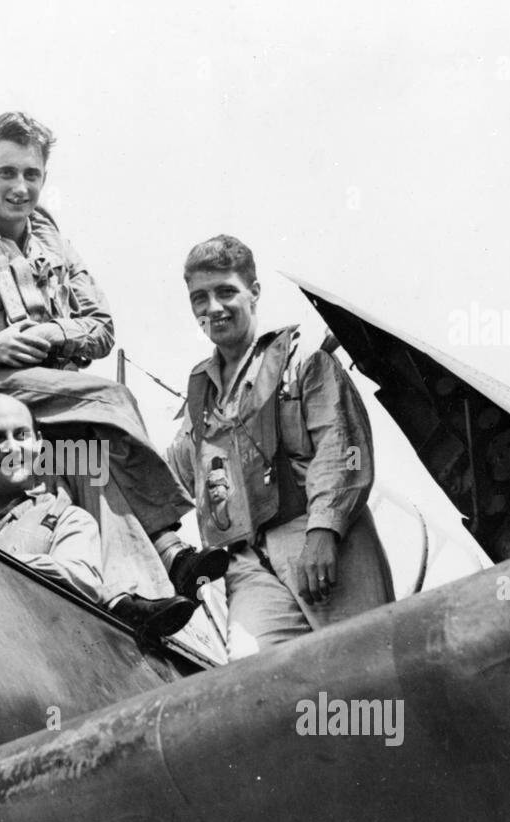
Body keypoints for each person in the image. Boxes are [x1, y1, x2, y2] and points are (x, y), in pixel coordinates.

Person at [0, 110, 226, 607]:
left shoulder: (56, 248)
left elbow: (102, 329)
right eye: (6, 173)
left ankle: (134, 586)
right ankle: (168, 539)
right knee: (109, 397)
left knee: (91, 460)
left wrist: (51, 333)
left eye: (32, 174)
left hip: (48, 402)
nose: (20, 187)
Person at [167, 235, 395, 659]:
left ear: (253, 293)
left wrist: (324, 532)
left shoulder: (302, 361)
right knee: (254, 686)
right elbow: (174, 474)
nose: (213, 308)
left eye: (225, 291)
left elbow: (342, 448)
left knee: (367, 673)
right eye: (200, 297)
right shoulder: (199, 396)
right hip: (247, 561)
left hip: (319, 538)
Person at [0, 393, 195, 641]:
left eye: (22, 435)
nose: (12, 448)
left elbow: (77, 577)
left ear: (39, 445)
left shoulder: (68, 520)